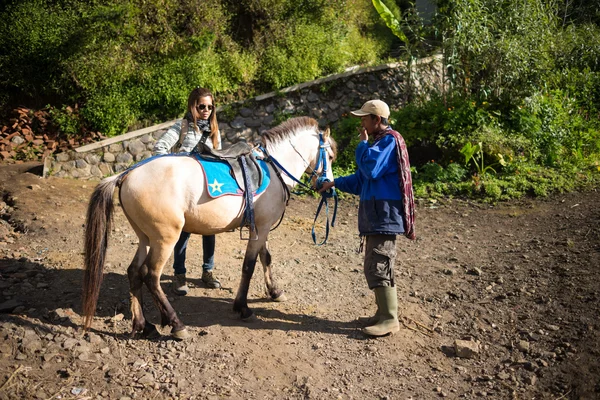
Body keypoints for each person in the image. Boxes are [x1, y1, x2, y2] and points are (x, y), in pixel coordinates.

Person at [319, 99, 415, 337]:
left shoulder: (388, 142)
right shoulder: (380, 144)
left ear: (377, 120)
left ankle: (390, 319)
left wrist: (362, 145)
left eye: (364, 118)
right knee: (375, 264)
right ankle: (383, 313)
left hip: (384, 213)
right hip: (376, 214)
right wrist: (334, 183)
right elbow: (362, 180)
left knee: (379, 263)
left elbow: (370, 168)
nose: (361, 123)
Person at [153, 87, 222, 294]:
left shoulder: (215, 130)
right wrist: (179, 166)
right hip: (184, 192)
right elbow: (160, 148)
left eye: (210, 107)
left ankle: (208, 272)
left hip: (208, 188)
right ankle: (179, 274)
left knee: (210, 231)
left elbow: (219, 158)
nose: (206, 110)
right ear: (193, 106)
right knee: (182, 234)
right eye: (202, 106)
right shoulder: (181, 126)